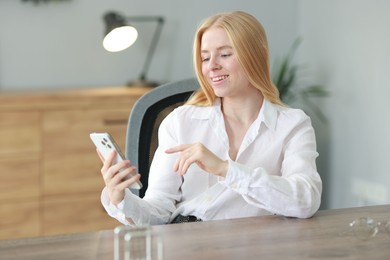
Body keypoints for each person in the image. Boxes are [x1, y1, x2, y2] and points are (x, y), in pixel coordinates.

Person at [98, 11, 322, 226]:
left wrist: (225, 169)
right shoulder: (180, 122)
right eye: (205, 57)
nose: (212, 66)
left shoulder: (293, 125)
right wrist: (120, 199)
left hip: (262, 245)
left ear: (258, 56)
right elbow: (159, 211)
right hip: (193, 242)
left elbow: (306, 201)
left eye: (225, 54)